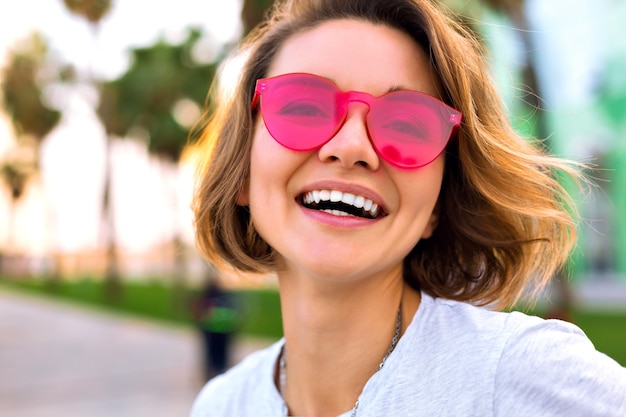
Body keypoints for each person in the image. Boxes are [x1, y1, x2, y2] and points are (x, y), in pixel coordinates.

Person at [189, 0, 626, 415]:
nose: (351, 146)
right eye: (303, 105)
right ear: (243, 172)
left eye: (406, 123)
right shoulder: (222, 405)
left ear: (436, 206)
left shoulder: (521, 375)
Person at [190, 275, 240, 381]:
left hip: (212, 331)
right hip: (222, 332)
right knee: (220, 355)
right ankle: (219, 373)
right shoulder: (224, 297)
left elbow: (198, 312)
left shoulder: (207, 296)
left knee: (212, 354)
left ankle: (212, 374)